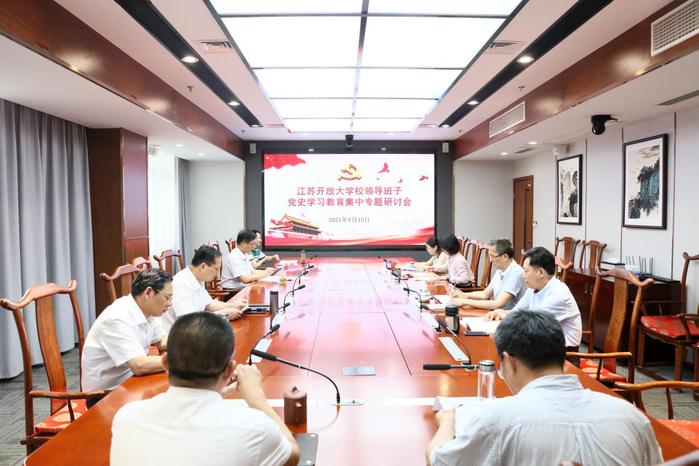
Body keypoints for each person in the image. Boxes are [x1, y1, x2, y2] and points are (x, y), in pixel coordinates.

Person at [427, 310, 662, 466]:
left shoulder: (494, 420)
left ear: (510, 362)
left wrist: (448, 421)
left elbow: (438, 461)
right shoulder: (631, 416)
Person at [111, 312, 300, 466]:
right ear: (229, 370)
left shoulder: (126, 417)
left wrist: (214, 394)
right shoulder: (254, 428)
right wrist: (256, 398)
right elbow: (292, 455)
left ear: (166, 363)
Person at [81, 269, 172, 392]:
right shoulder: (117, 318)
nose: (169, 303)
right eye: (167, 297)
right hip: (106, 394)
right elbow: (139, 365)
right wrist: (181, 360)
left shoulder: (147, 309)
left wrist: (189, 345)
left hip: (131, 381)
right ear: (148, 292)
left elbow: (161, 341)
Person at [484, 246, 582, 349]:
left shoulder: (558, 293)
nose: (523, 275)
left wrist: (506, 316)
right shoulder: (534, 288)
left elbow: (534, 326)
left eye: (526, 271)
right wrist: (500, 312)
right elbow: (517, 313)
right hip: (541, 343)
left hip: (562, 352)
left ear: (540, 272)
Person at [162, 245, 247, 332]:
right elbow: (189, 321)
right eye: (216, 269)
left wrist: (233, 305)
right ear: (203, 267)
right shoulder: (181, 284)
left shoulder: (198, 277)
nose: (216, 274)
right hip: (181, 334)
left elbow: (209, 304)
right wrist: (224, 314)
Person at [449, 238, 526, 310]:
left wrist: (464, 301)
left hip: (511, 317)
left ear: (505, 256)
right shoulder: (500, 270)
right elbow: (485, 294)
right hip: (498, 314)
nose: (490, 260)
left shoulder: (516, 273)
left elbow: (498, 304)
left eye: (492, 256)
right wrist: (463, 295)